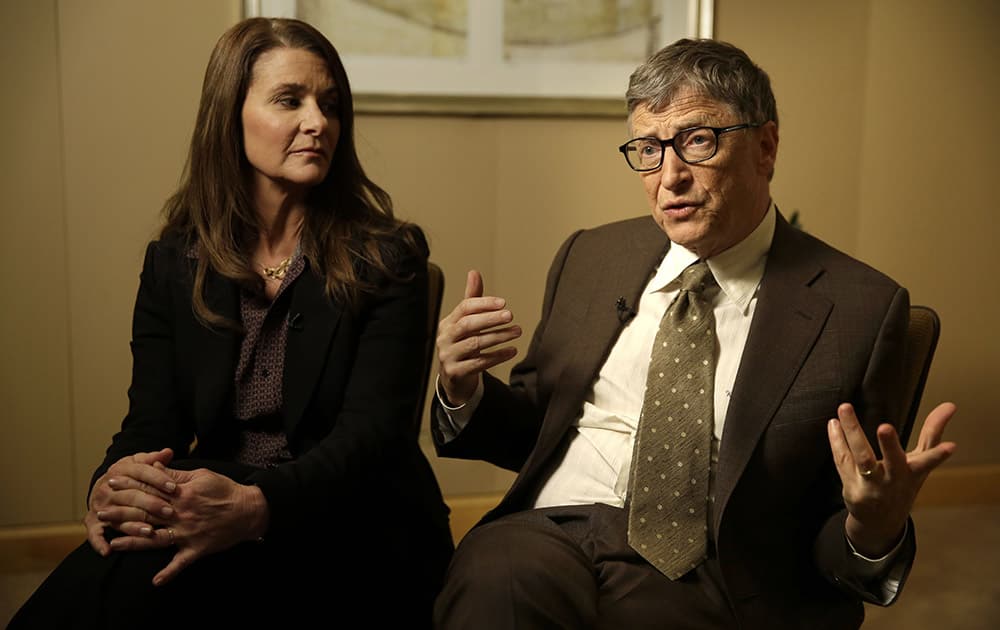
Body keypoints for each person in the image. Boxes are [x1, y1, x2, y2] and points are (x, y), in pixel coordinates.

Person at [431, 38, 955, 629]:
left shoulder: (860, 307)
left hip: (710, 571)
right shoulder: (592, 255)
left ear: (766, 146)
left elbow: (840, 533)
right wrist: (462, 388)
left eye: (697, 141)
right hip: (548, 532)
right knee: (493, 585)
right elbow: (534, 429)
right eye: (649, 150)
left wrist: (874, 524)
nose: (670, 176)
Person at [10, 17, 452, 629]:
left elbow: (371, 441)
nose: (317, 122)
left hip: (353, 524)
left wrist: (256, 506)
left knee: (146, 579)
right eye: (288, 100)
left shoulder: (388, 256)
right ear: (230, 115)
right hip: (212, 507)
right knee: (110, 574)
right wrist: (111, 488)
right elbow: (151, 422)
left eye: (329, 104)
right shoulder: (174, 260)